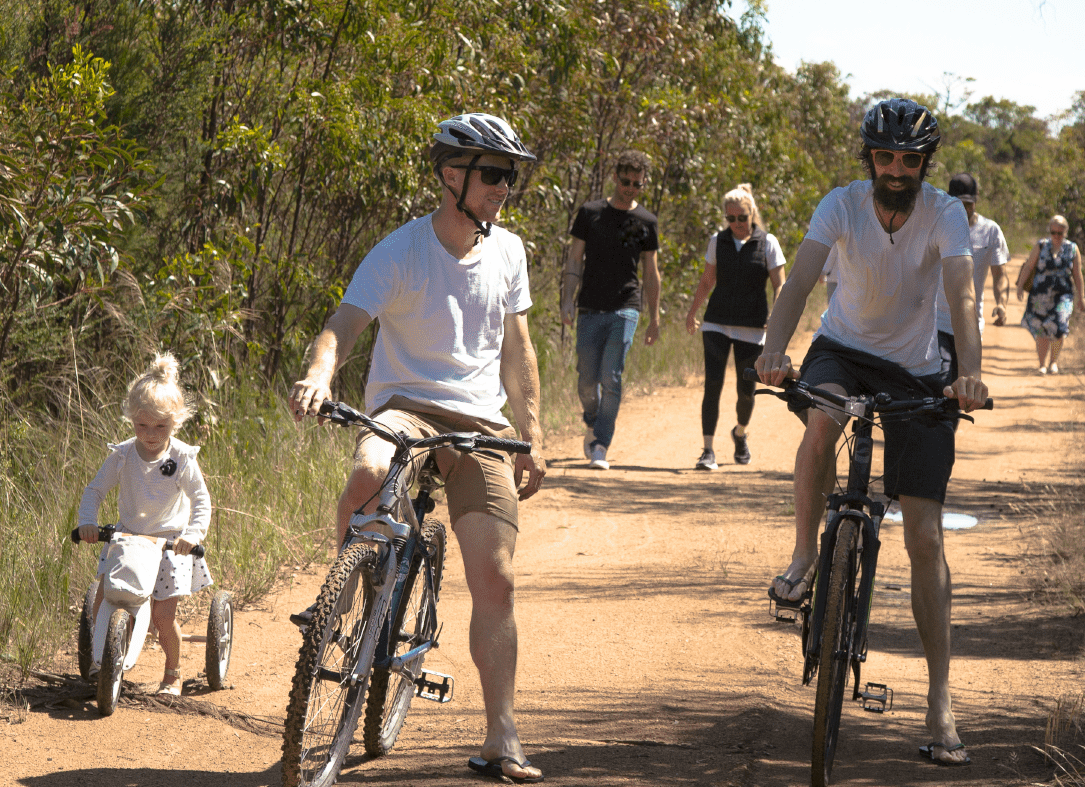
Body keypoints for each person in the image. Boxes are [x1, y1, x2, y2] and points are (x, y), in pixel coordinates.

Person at [290, 112, 548, 784]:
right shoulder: (400, 250)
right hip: (405, 407)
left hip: (481, 425)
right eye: (493, 174)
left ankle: (502, 736)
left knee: (496, 576)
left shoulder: (510, 251)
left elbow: (518, 350)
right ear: (450, 175)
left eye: (509, 176)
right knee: (367, 474)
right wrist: (319, 377)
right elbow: (341, 326)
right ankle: (339, 611)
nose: (504, 188)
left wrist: (533, 437)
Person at [754, 97, 989, 768]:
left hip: (919, 369)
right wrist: (774, 350)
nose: (895, 169)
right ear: (870, 157)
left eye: (908, 159)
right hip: (842, 349)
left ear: (924, 163)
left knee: (923, 536)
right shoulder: (842, 203)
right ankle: (804, 558)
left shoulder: (944, 214)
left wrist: (968, 372)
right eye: (884, 157)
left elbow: (963, 295)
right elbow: (798, 282)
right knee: (820, 425)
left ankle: (940, 702)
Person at [77, 351, 214, 697]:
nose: (151, 434)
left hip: (169, 545)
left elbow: (201, 501)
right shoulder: (123, 454)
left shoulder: (182, 458)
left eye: (160, 426)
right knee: (103, 601)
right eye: (142, 425)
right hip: (127, 538)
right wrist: (88, 523)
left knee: (162, 618)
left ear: (176, 422)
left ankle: (172, 672)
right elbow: (95, 489)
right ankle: (99, 659)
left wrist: (191, 535)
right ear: (130, 419)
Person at [559, 149, 661, 471]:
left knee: (611, 377)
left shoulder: (646, 221)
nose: (630, 187)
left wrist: (654, 317)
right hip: (590, 306)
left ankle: (601, 443)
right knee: (586, 380)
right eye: (626, 181)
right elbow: (575, 259)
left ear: (644, 183)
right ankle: (591, 418)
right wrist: (566, 299)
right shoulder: (590, 213)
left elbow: (651, 272)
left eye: (637, 183)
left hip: (626, 307)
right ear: (615, 177)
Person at [681, 183, 787, 470]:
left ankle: (740, 433)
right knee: (712, 385)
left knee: (746, 391)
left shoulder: (768, 243)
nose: (737, 224)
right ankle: (707, 451)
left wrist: (776, 316)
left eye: (742, 217)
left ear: (752, 213)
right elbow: (706, 281)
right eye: (730, 219)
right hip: (716, 323)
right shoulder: (718, 241)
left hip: (752, 327)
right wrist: (693, 312)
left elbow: (780, 285)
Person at [933, 173, 1012, 367]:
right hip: (937, 321)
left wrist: (1002, 304)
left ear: (976, 202)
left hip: (971, 321)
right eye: (959, 203)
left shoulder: (990, 230)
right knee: (942, 375)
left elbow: (1000, 274)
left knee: (967, 380)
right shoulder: (936, 226)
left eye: (969, 204)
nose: (964, 209)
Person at [1015, 214, 1085, 374]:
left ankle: (1053, 362)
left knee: (1060, 324)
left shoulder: (1072, 249)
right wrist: (1020, 285)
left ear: (1065, 233)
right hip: (1040, 295)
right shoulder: (1041, 245)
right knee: (1042, 328)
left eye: (1059, 233)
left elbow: (1077, 274)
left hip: (1063, 294)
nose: (1056, 236)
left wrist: (1081, 296)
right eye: (1053, 232)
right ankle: (1042, 364)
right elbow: (1028, 266)